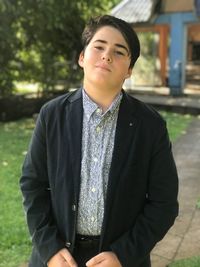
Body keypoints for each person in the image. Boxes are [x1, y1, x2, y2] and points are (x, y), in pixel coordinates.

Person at [20, 15, 179, 267]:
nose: (106, 56)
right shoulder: (52, 115)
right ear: (82, 57)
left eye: (119, 52)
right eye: (99, 46)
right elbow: (32, 186)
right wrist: (49, 247)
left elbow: (164, 203)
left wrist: (123, 255)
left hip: (120, 259)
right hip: (58, 256)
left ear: (129, 70)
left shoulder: (151, 126)